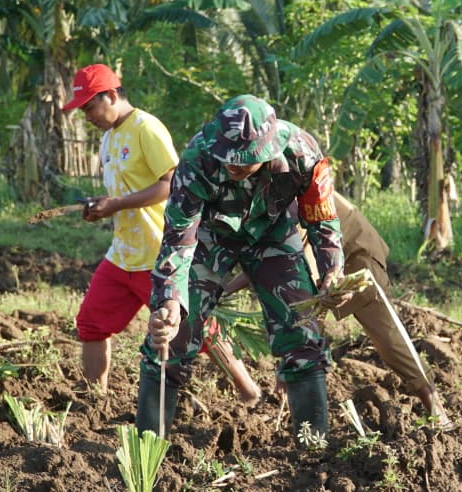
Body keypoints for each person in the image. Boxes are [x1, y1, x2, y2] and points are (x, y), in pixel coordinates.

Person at [140, 95, 346, 444]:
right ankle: (147, 446)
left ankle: (312, 449)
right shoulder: (196, 160)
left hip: (273, 232)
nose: (234, 166)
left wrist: (331, 270)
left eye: (245, 161)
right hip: (210, 236)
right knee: (172, 335)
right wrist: (170, 300)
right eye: (228, 158)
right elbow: (178, 239)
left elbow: (322, 220)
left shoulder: (302, 153)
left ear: (268, 151)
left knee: (301, 329)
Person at [207, 191, 453, 428]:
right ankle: (302, 417)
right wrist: (222, 291)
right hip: (304, 250)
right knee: (299, 326)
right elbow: (258, 259)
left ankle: (434, 404)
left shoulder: (277, 169)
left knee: (385, 332)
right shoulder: (234, 193)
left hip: (350, 246)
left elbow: (284, 242)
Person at [64, 64, 178, 393]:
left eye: (89, 107)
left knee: (194, 334)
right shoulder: (109, 139)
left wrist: (115, 204)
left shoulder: (147, 128)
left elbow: (171, 185)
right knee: (91, 323)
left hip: (157, 254)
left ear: (112, 96)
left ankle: (248, 392)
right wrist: (102, 207)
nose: (86, 116)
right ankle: (93, 399)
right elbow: (123, 194)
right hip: (123, 254)